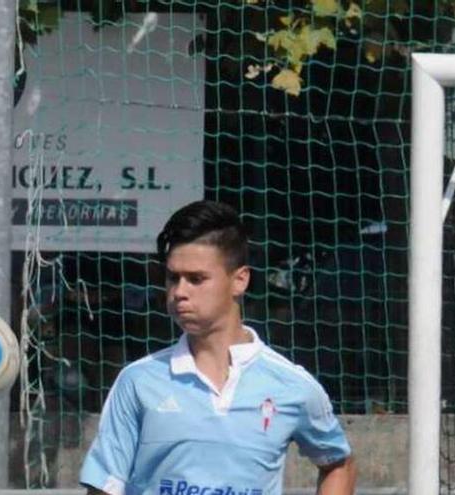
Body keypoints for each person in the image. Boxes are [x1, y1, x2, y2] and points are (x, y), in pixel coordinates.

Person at [79, 200, 356, 495]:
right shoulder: (138, 381)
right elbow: (104, 487)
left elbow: (339, 463)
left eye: (196, 279)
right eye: (173, 278)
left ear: (240, 280)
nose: (179, 292)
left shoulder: (292, 385)